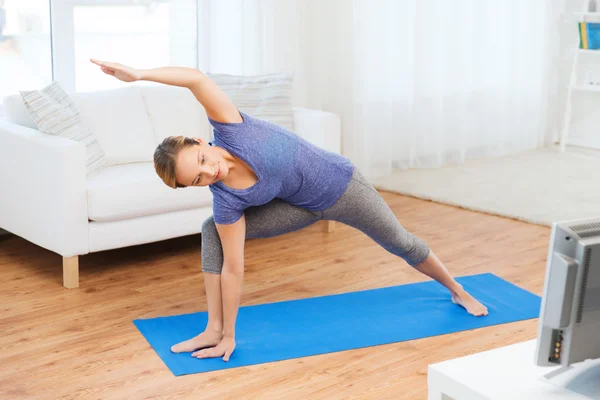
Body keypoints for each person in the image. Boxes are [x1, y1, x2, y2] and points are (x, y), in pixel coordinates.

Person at [91, 59, 488, 362]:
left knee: (400, 242)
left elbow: (196, 79)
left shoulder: (232, 127)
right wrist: (232, 335)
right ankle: (214, 329)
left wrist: (139, 73)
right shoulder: (226, 199)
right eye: (198, 180)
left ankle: (457, 290)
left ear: (201, 141)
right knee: (213, 228)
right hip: (300, 208)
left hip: (342, 188)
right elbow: (234, 268)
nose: (211, 172)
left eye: (202, 160)